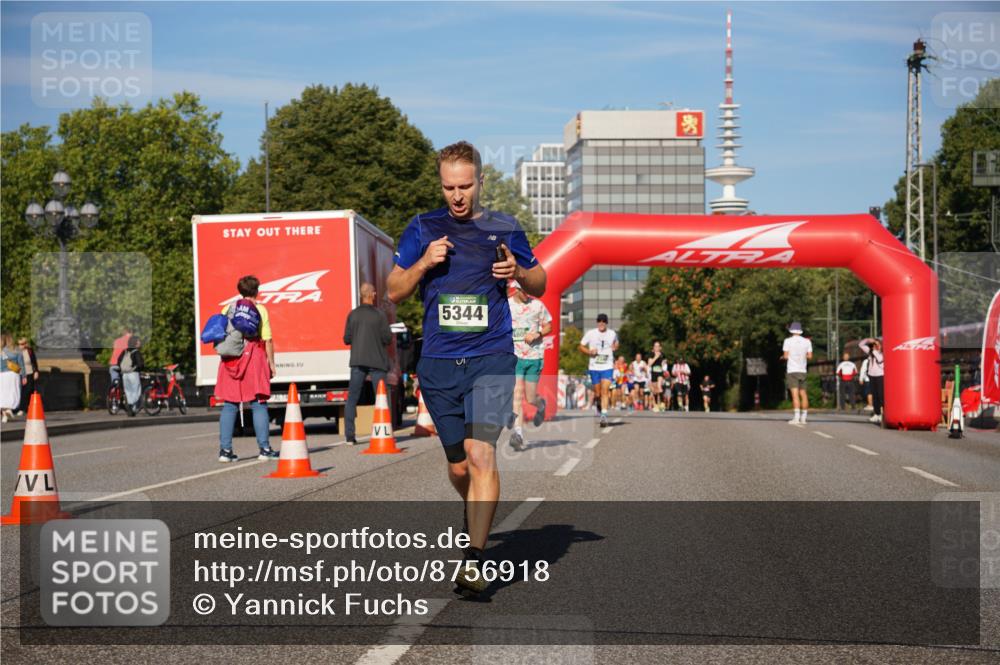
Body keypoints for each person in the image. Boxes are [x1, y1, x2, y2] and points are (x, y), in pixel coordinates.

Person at [386, 140, 545, 596]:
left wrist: (517, 270)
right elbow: (394, 290)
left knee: (481, 455)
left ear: (480, 181)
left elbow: (540, 280)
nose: (457, 196)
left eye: (465, 186)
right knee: (459, 467)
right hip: (437, 362)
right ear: (441, 184)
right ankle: (474, 507)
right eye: (448, 187)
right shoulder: (423, 227)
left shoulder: (504, 227)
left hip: (491, 356)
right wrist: (423, 262)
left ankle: (475, 560)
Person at [215, 275, 279, 462]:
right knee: (259, 403)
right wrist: (271, 364)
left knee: (230, 404)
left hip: (231, 359)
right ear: (257, 291)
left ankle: (225, 451)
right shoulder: (260, 309)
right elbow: (267, 339)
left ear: (240, 291)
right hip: (254, 357)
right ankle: (264, 449)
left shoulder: (228, 308)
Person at [343, 282, 393, 445]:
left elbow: (347, 339)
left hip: (357, 361)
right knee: (382, 398)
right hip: (377, 361)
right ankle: (384, 431)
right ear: (372, 294)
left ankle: (350, 436)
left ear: (361, 295)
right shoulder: (379, 315)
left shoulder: (352, 315)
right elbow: (387, 338)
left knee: (352, 398)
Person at [507, 279, 552, 451]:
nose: (527, 293)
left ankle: (541, 406)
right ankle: (518, 434)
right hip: (515, 356)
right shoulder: (507, 305)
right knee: (517, 395)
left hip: (534, 356)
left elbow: (549, 326)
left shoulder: (537, 305)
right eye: (524, 290)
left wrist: (538, 334)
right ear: (515, 289)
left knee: (530, 397)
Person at [579, 314, 619, 427]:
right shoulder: (591, 333)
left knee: (605, 390)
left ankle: (604, 416)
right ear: (597, 322)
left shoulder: (612, 333)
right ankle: (599, 405)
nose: (601, 323)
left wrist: (615, 347)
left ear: (606, 323)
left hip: (607, 366)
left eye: (603, 321)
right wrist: (589, 352)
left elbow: (616, 342)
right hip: (594, 367)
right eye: (599, 321)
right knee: (598, 393)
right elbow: (581, 346)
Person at [782, 321, 813, 424]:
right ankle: (804, 418)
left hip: (792, 370)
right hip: (802, 370)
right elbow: (810, 356)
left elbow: (786, 356)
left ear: (791, 331)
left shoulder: (787, 341)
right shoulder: (807, 341)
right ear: (800, 331)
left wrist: (783, 356)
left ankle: (796, 418)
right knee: (803, 394)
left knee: (795, 395)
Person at [116, 335, 144, 415]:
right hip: (133, 374)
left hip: (125, 374)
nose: (140, 342)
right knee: (136, 391)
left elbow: (119, 361)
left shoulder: (125, 351)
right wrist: (140, 368)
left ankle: (132, 409)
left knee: (128, 391)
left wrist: (122, 369)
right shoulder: (136, 352)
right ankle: (131, 405)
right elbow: (140, 364)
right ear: (135, 342)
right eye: (138, 341)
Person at [859, 338, 885, 424]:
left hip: (880, 376)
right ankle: (876, 413)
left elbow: (880, 361)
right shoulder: (870, 352)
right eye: (874, 345)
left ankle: (883, 414)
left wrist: (874, 351)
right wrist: (868, 340)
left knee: (881, 395)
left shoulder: (881, 354)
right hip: (872, 376)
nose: (875, 346)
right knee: (875, 396)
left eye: (877, 345)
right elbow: (861, 345)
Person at [0, 333, 24, 423]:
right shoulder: (17, 351)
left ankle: (4, 413)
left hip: (2, 375)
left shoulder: (1, 351)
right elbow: (21, 365)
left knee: (2, 395)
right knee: (12, 394)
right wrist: (24, 376)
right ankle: (8, 410)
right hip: (14, 375)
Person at [16, 337, 39, 416]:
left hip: (30, 372)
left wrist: (36, 371)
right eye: (21, 344)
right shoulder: (16, 352)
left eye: (24, 343)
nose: (23, 345)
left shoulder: (29, 350)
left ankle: (27, 407)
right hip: (20, 374)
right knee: (22, 391)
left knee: (29, 390)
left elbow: (34, 361)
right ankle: (21, 408)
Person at [648, 341, 665, 412]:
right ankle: (656, 405)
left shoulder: (662, 354)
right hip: (653, 373)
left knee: (659, 386)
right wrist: (655, 357)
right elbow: (649, 364)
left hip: (660, 373)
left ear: (660, 347)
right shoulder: (651, 354)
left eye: (658, 346)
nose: (656, 348)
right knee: (654, 391)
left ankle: (662, 403)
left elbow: (664, 363)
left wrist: (664, 363)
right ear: (653, 347)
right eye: (655, 346)